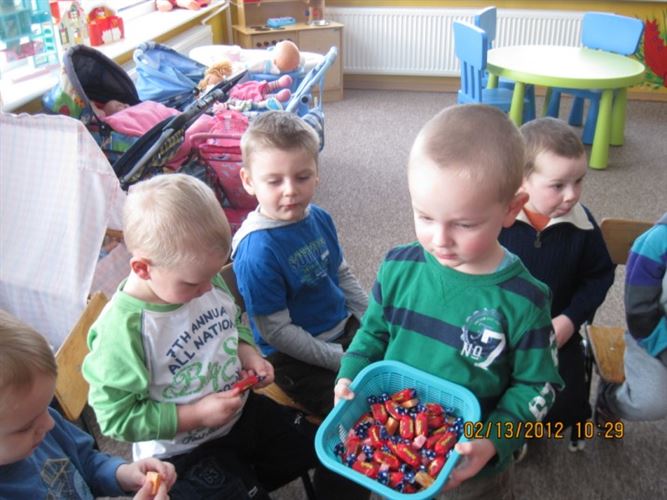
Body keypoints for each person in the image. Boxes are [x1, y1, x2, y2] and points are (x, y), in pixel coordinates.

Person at [82, 173, 365, 499]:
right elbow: (115, 418)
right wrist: (195, 415)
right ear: (143, 268)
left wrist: (247, 352)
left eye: (212, 275)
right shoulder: (123, 332)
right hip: (184, 452)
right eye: (193, 283)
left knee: (335, 444)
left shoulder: (201, 279)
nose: (208, 289)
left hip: (242, 414)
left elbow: (230, 320)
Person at [335, 104, 563, 499]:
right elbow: (372, 334)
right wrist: (349, 374)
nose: (439, 239)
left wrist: (494, 441)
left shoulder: (525, 301)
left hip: (470, 467)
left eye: (464, 223)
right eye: (424, 217)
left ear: (511, 208)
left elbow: (539, 385)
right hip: (396, 448)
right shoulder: (398, 267)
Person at [231, 111, 368, 417]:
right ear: (249, 181)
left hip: (341, 328)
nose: (290, 190)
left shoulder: (319, 217)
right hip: (294, 358)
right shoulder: (256, 251)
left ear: (316, 174)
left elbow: (341, 275)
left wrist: (373, 320)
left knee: (405, 364)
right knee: (358, 410)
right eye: (274, 181)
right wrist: (342, 359)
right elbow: (277, 332)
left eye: (302, 177)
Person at [498, 117, 615, 453]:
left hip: (555, 334)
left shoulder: (583, 226)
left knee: (563, 405)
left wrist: (570, 319)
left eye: (579, 181)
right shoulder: (497, 220)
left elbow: (600, 276)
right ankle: (509, 433)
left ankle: (529, 429)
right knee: (485, 389)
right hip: (500, 330)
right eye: (558, 185)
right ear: (522, 180)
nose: (572, 194)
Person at [0, 310, 176, 499]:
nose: (49, 423)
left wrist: (122, 474)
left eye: (47, 406)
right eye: (26, 427)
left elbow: (85, 460)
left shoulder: (38, 425)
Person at [596, 212, 667, 423]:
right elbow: (640, 313)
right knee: (648, 403)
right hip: (654, 339)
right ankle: (611, 398)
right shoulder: (657, 242)